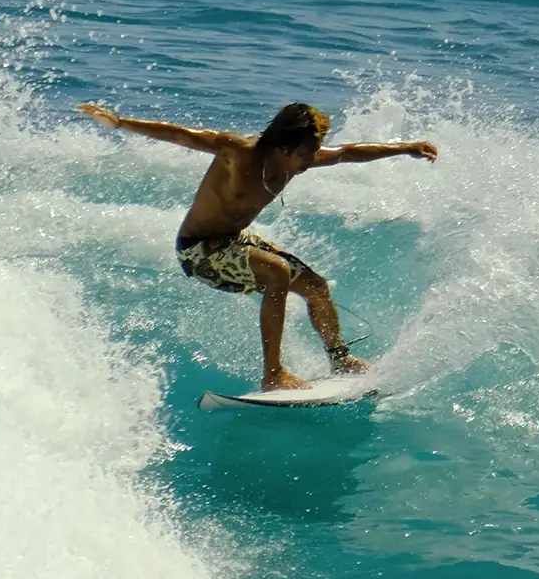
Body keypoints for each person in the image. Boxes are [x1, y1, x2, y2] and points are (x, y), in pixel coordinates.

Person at [78, 101, 439, 391]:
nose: (312, 160)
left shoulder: (293, 162)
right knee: (277, 272)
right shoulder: (239, 152)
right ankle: (274, 373)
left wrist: (405, 148)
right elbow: (182, 136)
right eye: (307, 153)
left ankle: (340, 358)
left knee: (315, 286)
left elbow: (346, 153)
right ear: (284, 147)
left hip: (233, 242)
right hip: (198, 250)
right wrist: (121, 123)